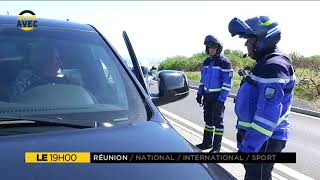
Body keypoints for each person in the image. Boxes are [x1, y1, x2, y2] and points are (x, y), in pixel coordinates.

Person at [228, 16, 296, 179]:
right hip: (260, 140)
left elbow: (267, 116)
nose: (245, 44)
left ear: (262, 39)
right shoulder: (266, 62)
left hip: (263, 141)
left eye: (249, 39)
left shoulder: (273, 66)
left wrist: (249, 147)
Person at [196, 35, 233, 153]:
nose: (211, 49)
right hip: (207, 96)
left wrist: (221, 99)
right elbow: (203, 80)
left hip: (218, 97)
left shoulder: (225, 63)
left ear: (219, 48)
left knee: (218, 122)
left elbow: (227, 83)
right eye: (209, 47)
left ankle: (216, 148)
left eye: (213, 47)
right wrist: (199, 93)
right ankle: (206, 143)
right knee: (208, 121)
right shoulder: (207, 62)